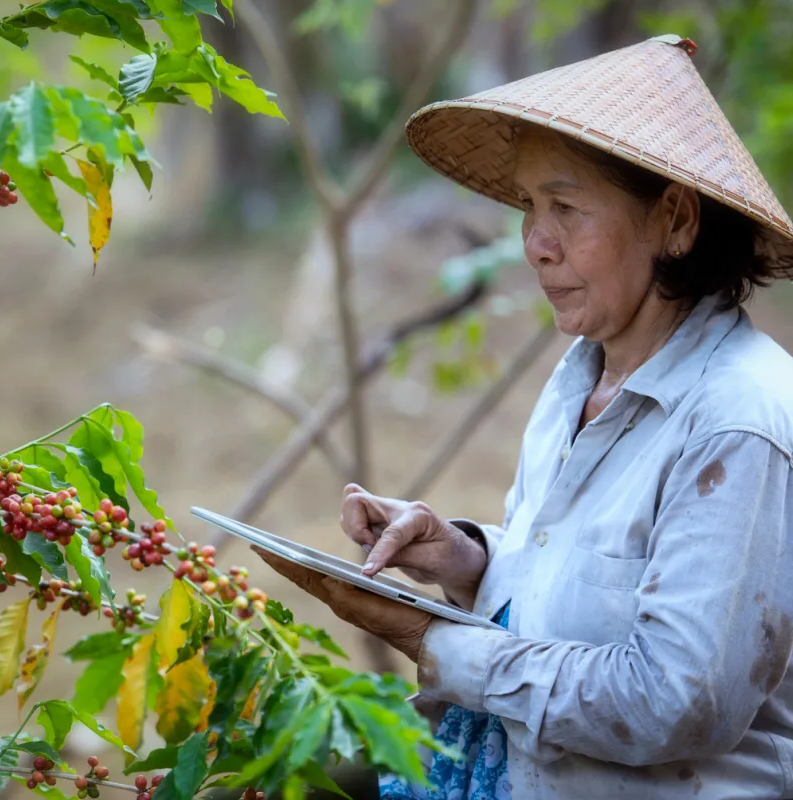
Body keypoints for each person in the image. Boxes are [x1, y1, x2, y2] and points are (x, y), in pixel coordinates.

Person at [255, 34, 793, 799]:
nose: (536, 245)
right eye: (531, 207)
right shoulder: (581, 378)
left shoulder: (737, 421)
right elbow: (591, 583)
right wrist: (467, 560)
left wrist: (431, 642)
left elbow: (676, 703)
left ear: (675, 220)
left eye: (567, 208)